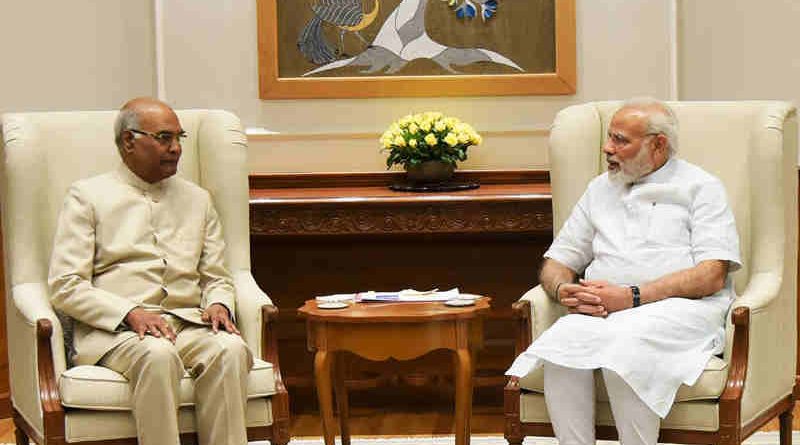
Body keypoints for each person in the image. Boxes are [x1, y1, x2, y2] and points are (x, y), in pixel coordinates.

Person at [506, 98, 741, 445]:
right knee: (561, 347)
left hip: (682, 308)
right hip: (606, 309)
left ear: (657, 144)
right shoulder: (599, 189)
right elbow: (558, 262)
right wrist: (562, 290)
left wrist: (631, 296)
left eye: (620, 140)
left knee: (625, 350)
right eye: (609, 138)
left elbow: (711, 275)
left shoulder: (700, 187)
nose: (607, 148)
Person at [48, 97, 252, 445]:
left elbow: (216, 276)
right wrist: (129, 312)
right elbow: (65, 285)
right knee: (157, 355)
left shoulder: (198, 200)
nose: (175, 148)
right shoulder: (88, 196)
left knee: (230, 350)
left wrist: (219, 303)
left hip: (188, 323)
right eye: (163, 138)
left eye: (178, 138)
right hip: (119, 332)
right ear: (129, 141)